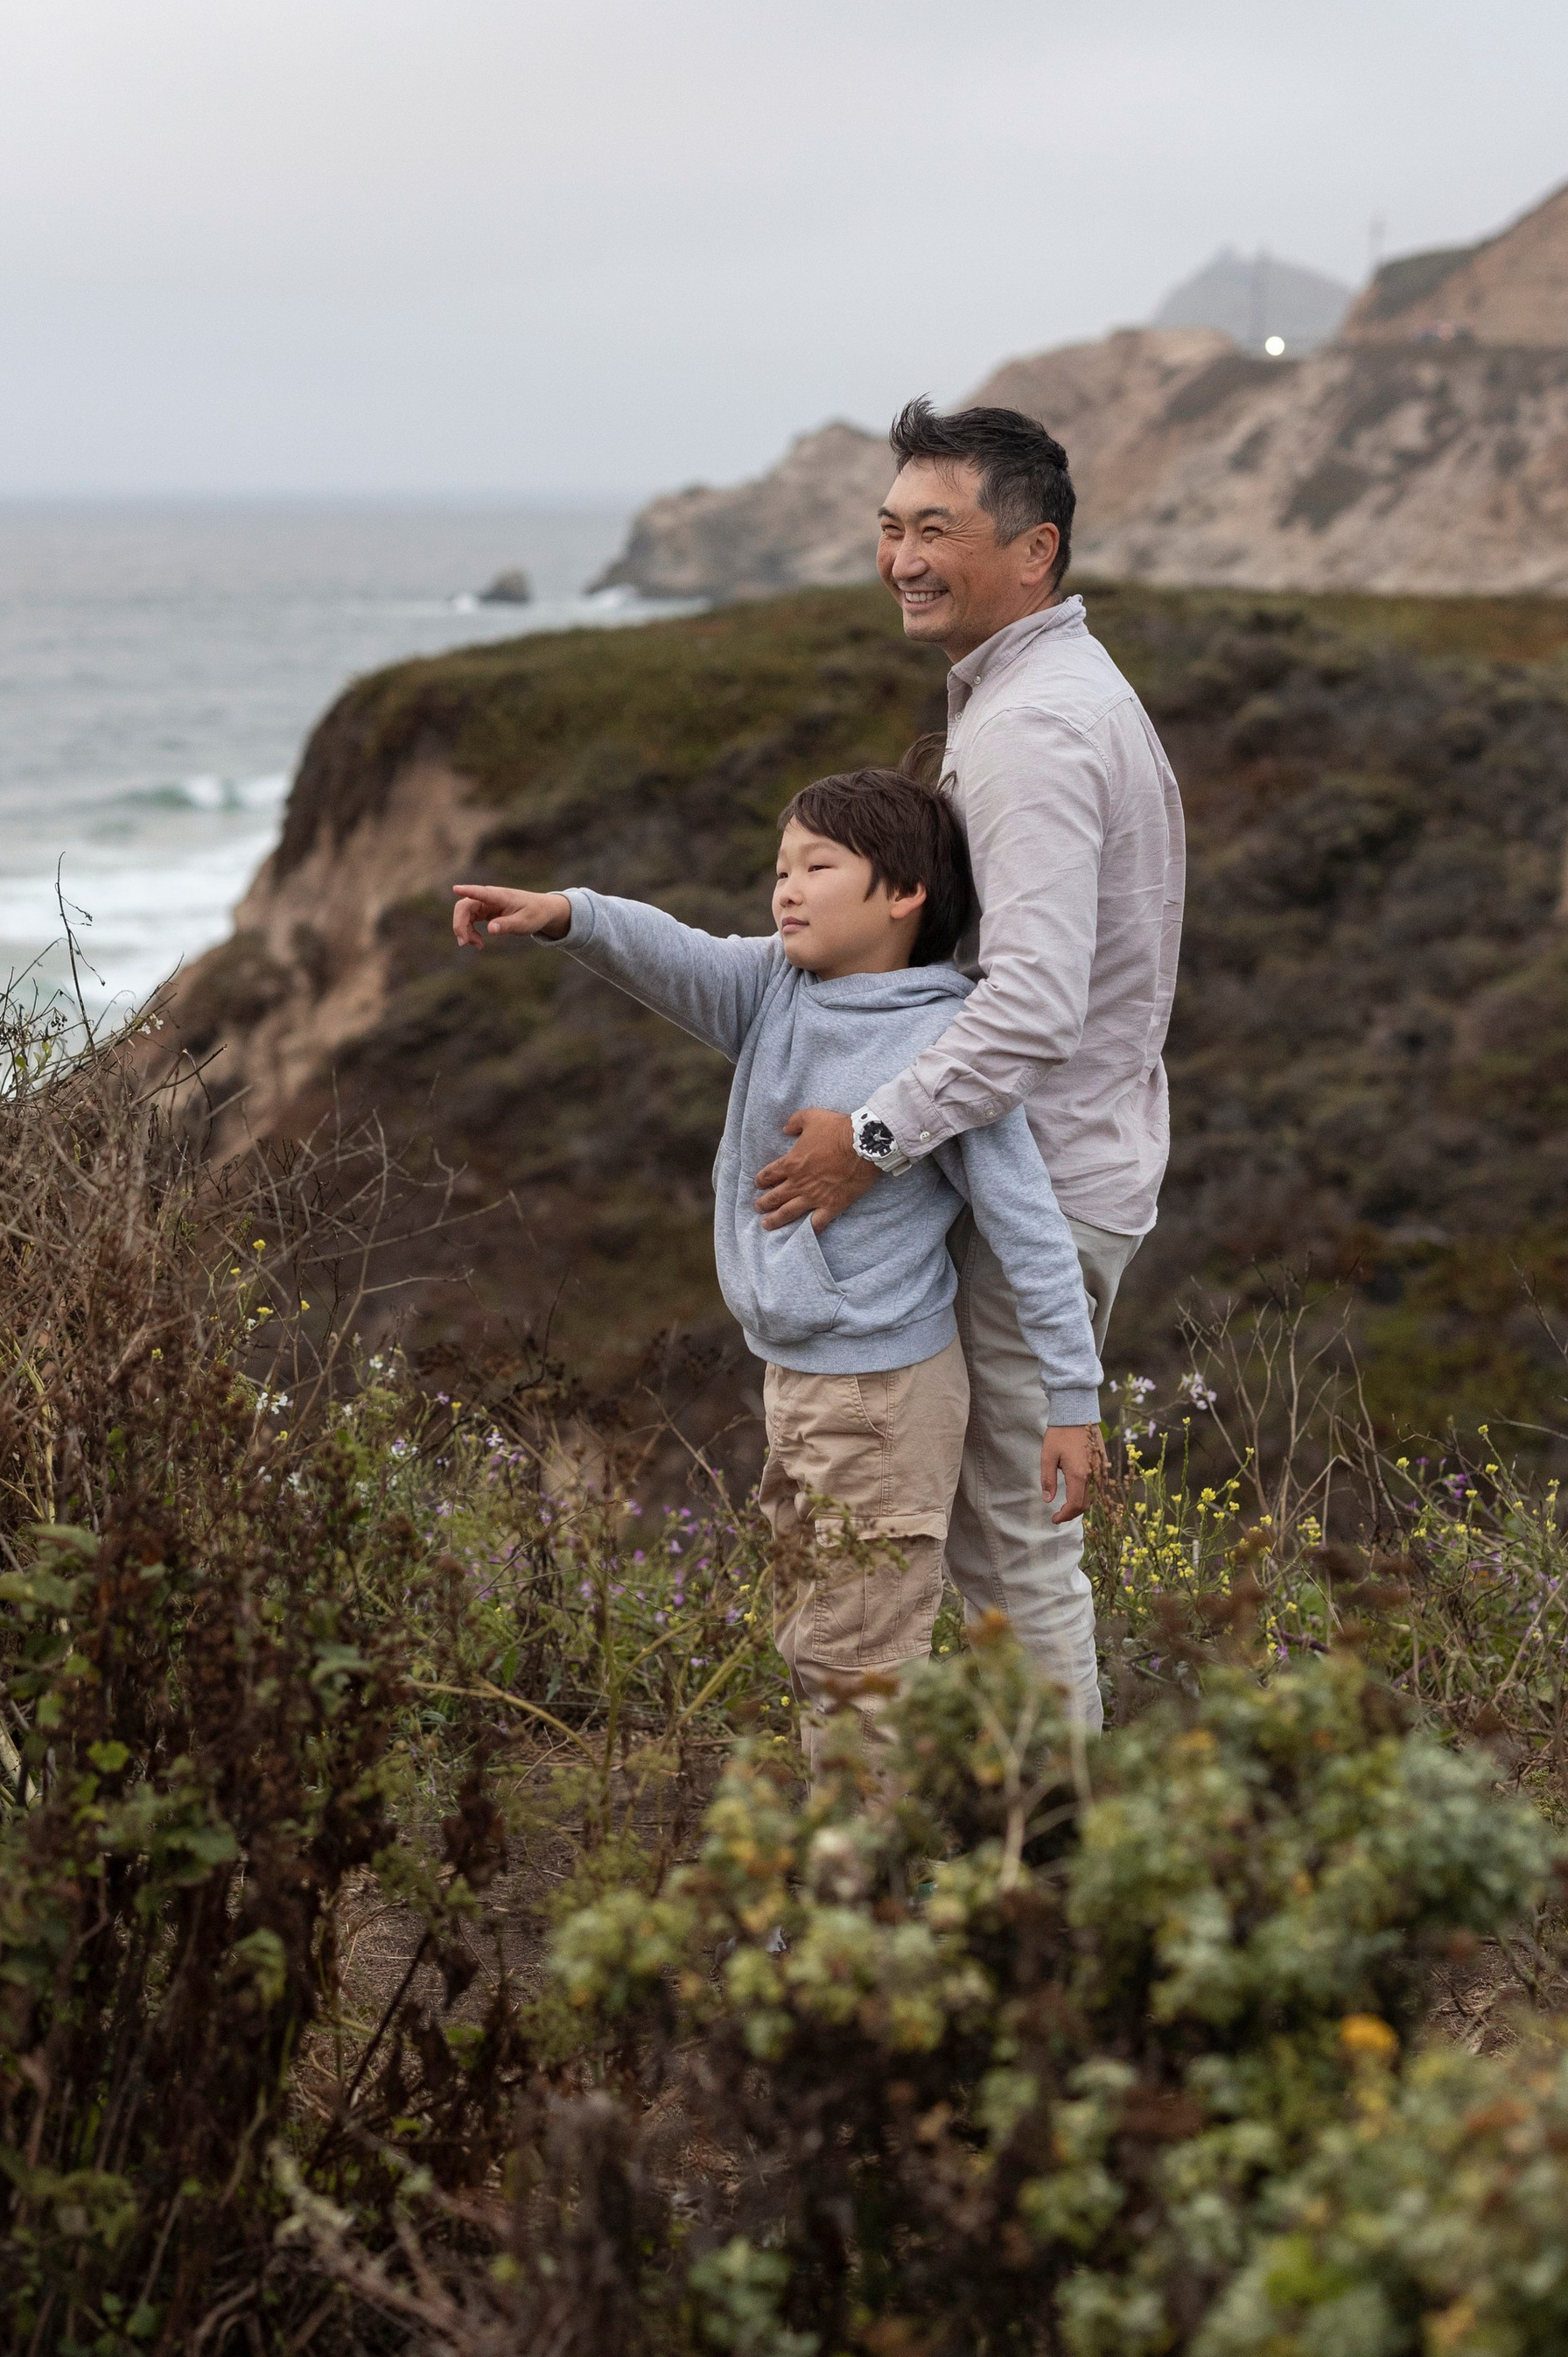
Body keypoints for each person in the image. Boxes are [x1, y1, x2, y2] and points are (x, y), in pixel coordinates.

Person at [451, 766, 1102, 1767]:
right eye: (779, 868)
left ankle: (859, 1891)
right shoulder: (773, 989)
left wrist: (1072, 1397)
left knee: (858, 1656)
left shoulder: (946, 1047)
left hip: (883, 1393)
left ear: (903, 894)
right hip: (798, 1375)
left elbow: (1027, 1227)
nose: (785, 888)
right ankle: (864, 1862)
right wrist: (564, 916)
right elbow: (675, 953)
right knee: (813, 1634)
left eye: (817, 866)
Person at [750, 399, 1186, 1734]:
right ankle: (1029, 1847)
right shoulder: (1048, 695)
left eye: (937, 529)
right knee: (1005, 1546)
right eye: (890, 528)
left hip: (1038, 1181)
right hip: (1061, 1165)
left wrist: (866, 1138)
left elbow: (1032, 1006)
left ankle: (1050, 1870)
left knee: (1010, 1550)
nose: (903, 559)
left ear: (1034, 551)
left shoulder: (1032, 731)